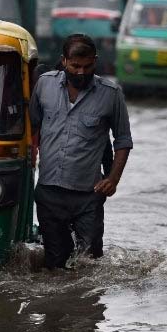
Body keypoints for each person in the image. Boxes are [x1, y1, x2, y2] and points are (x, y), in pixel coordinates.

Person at [29, 33, 133, 269]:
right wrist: (28, 159)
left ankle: (86, 305)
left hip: (88, 196)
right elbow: (32, 126)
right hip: (49, 192)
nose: (81, 72)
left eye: (87, 66)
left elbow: (123, 141)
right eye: (75, 66)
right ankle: (57, 306)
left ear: (95, 61)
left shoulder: (111, 94)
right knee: (55, 261)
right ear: (64, 61)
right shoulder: (44, 84)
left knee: (89, 263)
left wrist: (113, 179)